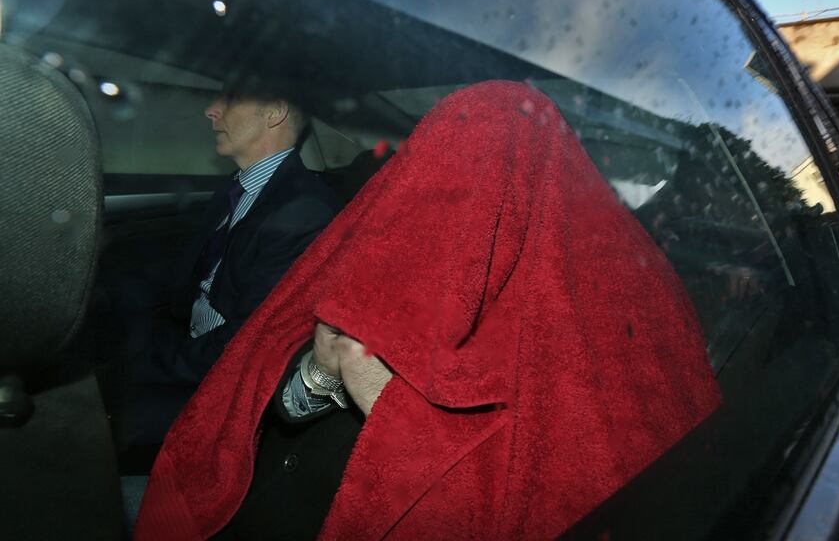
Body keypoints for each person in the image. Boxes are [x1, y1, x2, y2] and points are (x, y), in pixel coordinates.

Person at [134, 81, 722, 540]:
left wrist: (388, 405)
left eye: (463, 189)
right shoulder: (395, 262)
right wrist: (321, 375)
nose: (429, 218)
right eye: (425, 186)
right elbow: (274, 383)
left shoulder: (582, 339)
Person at [107, 83, 341, 447]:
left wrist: (143, 360)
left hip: (226, 379)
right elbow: (189, 273)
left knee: (95, 420)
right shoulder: (236, 188)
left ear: (274, 112)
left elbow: (246, 341)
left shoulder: (303, 212)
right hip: (192, 343)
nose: (211, 110)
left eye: (229, 99)